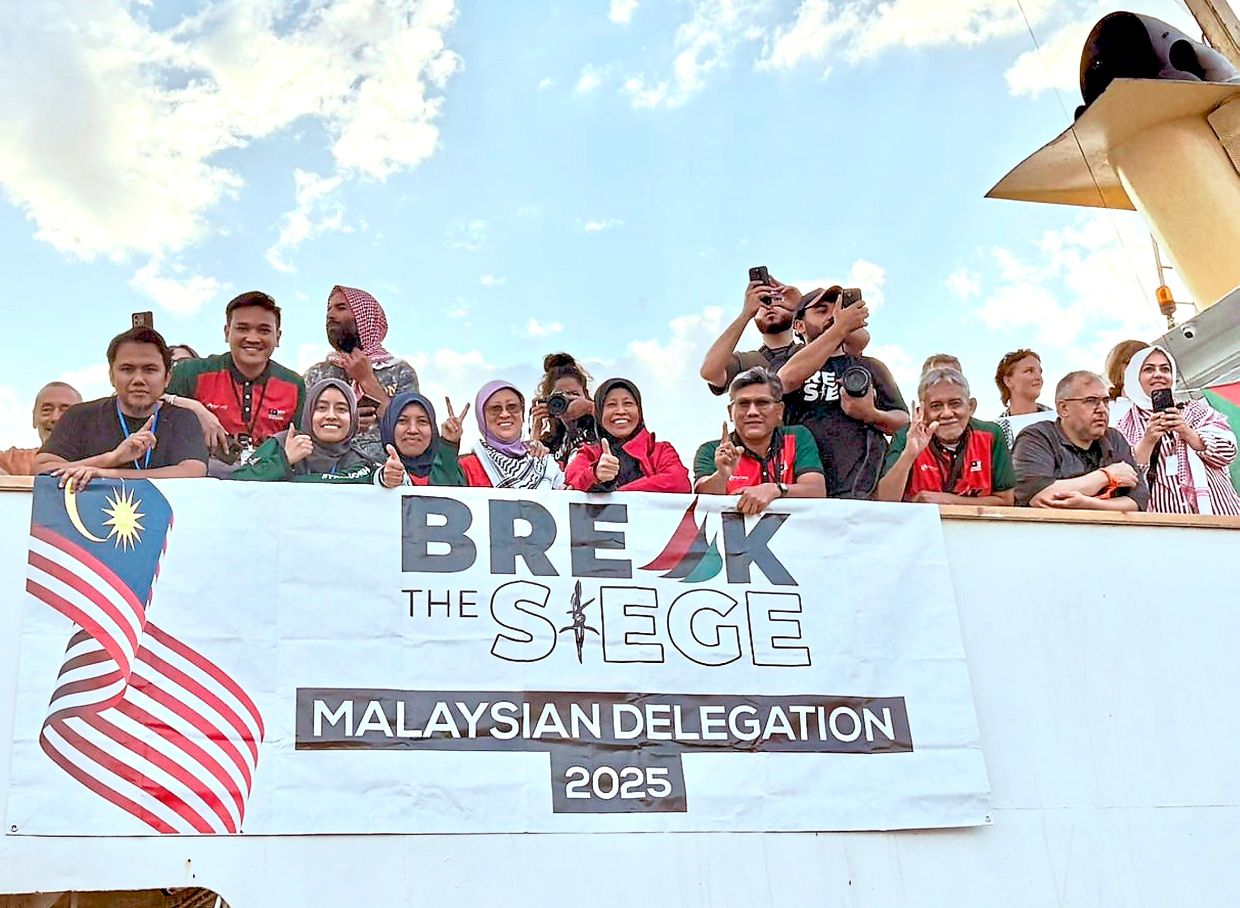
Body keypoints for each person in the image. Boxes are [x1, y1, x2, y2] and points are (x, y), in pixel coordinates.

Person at [34, 328, 208, 487]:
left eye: (149, 369)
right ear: (111, 376)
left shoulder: (183, 419)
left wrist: (106, 474)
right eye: (127, 369)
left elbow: (192, 472)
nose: (138, 379)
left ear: (167, 378)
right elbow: (41, 470)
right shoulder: (80, 416)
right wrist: (112, 458)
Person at [779, 288, 908, 499]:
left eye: (838, 310)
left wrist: (871, 414)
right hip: (803, 489)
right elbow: (785, 380)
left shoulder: (871, 366)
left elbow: (903, 422)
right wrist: (839, 328)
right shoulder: (785, 364)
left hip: (864, 490)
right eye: (822, 310)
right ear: (799, 325)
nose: (834, 315)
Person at [166, 291, 305, 475]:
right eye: (242, 328)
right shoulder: (191, 372)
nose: (253, 338)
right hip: (204, 482)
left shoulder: (294, 384)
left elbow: (301, 445)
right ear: (227, 333)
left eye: (264, 330)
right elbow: (146, 401)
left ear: (278, 337)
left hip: (269, 481)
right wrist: (194, 408)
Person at [1115, 346, 1240, 515]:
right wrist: (1148, 440)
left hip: (1217, 516)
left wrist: (1186, 431)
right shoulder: (1124, 426)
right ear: (1134, 377)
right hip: (1166, 524)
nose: (1158, 374)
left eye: (1165, 369)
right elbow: (1123, 480)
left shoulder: (1196, 410)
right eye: (1149, 369)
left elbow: (1228, 452)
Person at [303, 285, 419, 463]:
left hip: (385, 472)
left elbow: (409, 431)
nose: (330, 315)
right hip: (326, 472)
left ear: (365, 318)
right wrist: (345, 421)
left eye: (341, 308)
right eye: (329, 309)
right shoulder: (317, 374)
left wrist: (366, 380)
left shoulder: (399, 372)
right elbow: (303, 430)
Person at [699, 276, 869, 396]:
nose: (771, 307)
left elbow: (859, 339)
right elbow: (709, 372)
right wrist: (745, 314)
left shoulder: (814, 350)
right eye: (764, 301)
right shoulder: (746, 361)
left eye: (777, 300)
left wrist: (802, 305)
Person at [876, 368, 1015, 506]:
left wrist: (949, 501)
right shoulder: (907, 436)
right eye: (936, 406)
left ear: (971, 407)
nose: (947, 413)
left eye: (955, 403)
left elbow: (1006, 501)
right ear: (921, 412)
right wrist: (909, 454)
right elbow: (884, 501)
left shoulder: (991, 435)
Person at [693, 368, 825, 513]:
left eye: (762, 403)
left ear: (779, 410)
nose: (752, 412)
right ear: (730, 412)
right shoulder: (710, 450)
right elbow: (700, 503)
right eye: (743, 403)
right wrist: (721, 475)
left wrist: (774, 489)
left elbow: (817, 491)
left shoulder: (798, 436)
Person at [1012, 371, 1149, 511]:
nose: (1102, 409)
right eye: (1091, 401)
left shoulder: (1114, 438)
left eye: (1106, 401)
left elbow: (1138, 501)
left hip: (1104, 525)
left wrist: (1088, 504)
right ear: (1063, 408)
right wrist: (1106, 476)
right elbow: (1039, 496)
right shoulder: (1037, 438)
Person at [230, 379, 376, 483]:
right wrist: (284, 459)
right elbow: (237, 480)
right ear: (308, 413)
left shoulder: (358, 459)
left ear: (353, 418)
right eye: (321, 408)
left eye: (341, 409)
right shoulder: (283, 444)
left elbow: (365, 478)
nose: (331, 416)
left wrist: (294, 480)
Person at [565, 378, 691, 493]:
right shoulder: (588, 453)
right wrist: (594, 474)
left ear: (639, 410)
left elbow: (680, 483)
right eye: (611, 405)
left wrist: (619, 495)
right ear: (599, 414)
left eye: (628, 403)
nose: (621, 411)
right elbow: (571, 485)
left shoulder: (661, 450)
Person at [459, 381, 565, 489]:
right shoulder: (467, 467)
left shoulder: (546, 462)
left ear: (522, 413)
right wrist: (450, 444)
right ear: (481, 416)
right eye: (495, 408)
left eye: (512, 407)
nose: (505, 414)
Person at [376, 392, 467, 488]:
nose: (413, 430)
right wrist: (384, 478)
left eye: (422, 421)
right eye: (402, 421)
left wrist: (448, 445)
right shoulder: (373, 474)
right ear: (389, 426)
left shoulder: (454, 472)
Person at [0, 382, 82, 476]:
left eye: (66, 412)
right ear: (34, 418)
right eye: (46, 410)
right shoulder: (13, 461)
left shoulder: (95, 464)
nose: (55, 418)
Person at [530, 353, 597, 466]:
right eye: (560, 396)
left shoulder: (598, 425)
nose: (567, 400)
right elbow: (532, 466)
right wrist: (536, 427)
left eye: (574, 394)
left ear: (585, 395)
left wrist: (591, 408)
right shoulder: (553, 441)